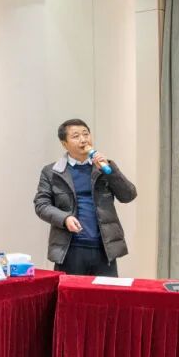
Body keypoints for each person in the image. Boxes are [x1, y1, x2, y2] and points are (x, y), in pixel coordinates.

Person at [34, 118, 137, 276]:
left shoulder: (103, 167)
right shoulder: (52, 172)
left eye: (86, 134)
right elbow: (41, 205)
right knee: (71, 292)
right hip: (69, 249)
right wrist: (65, 218)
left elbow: (128, 195)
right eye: (76, 136)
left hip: (104, 249)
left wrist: (110, 170)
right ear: (64, 143)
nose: (83, 139)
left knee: (106, 292)